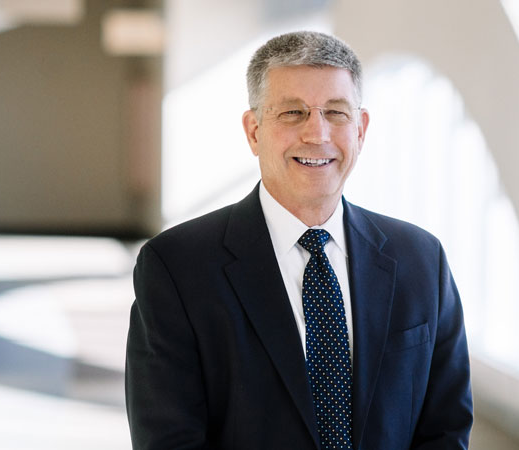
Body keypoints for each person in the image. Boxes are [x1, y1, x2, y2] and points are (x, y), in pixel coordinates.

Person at [125, 31, 472, 450]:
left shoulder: (421, 260)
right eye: (292, 112)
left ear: (360, 129)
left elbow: (446, 429)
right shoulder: (177, 268)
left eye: (336, 112)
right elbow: (169, 439)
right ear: (254, 131)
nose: (317, 133)